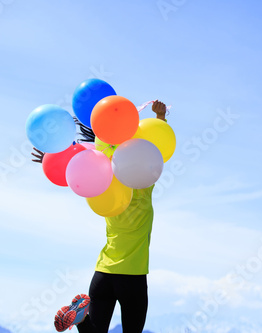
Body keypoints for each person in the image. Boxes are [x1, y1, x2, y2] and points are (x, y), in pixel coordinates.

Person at [31, 100, 168, 333]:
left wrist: (51, 155)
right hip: (132, 276)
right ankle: (83, 321)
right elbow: (157, 149)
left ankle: (82, 321)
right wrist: (160, 117)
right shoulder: (143, 188)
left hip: (103, 274)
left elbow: (79, 165)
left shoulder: (105, 185)